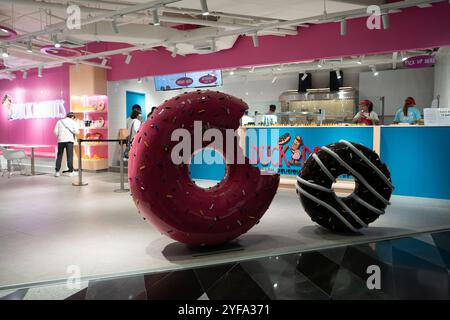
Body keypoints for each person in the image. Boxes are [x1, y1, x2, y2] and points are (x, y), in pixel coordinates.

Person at [54, 112, 79, 177]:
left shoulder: (59, 121)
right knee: (70, 156)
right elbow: (77, 132)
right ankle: (70, 172)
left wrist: (60, 136)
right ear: (73, 117)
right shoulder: (73, 122)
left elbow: (55, 132)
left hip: (60, 141)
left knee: (59, 156)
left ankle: (57, 172)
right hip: (69, 141)